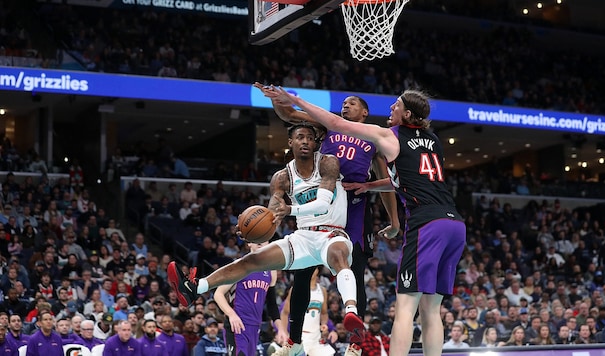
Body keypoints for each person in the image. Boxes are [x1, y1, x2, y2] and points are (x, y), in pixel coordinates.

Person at [262, 86, 466, 356]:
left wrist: (297, 98)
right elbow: (402, 180)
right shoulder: (433, 139)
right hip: (454, 223)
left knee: (405, 308)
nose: (391, 108)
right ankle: (295, 340)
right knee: (431, 309)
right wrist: (369, 187)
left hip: (424, 223)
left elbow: (335, 122)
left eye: (396, 105)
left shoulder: (386, 135)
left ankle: (356, 344)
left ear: (406, 113)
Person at [168, 123, 364, 356]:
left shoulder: (327, 162)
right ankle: (194, 287)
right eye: (299, 137)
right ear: (290, 143)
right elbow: (272, 218)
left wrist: (288, 210)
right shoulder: (282, 178)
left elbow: (322, 205)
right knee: (251, 260)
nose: (305, 141)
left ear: (315, 143)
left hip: (331, 232)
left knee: (338, 255)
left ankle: (351, 311)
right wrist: (252, 231)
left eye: (309, 138)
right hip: (303, 238)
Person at [254, 82, 400, 355]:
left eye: (352, 103)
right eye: (343, 103)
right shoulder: (329, 125)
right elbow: (291, 116)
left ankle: (356, 344)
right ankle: (294, 343)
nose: (345, 106)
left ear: (365, 112)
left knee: (355, 274)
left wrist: (394, 221)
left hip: (353, 205)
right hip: (321, 202)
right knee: (303, 275)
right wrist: (275, 99)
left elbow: (386, 181)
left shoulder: (373, 138)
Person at [214, 240, 287, 355]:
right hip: (237, 324)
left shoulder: (271, 271)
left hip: (255, 326)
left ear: (268, 243)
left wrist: (281, 328)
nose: (259, 242)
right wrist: (231, 315)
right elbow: (218, 294)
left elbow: (272, 304)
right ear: (249, 243)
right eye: (255, 238)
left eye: (263, 238)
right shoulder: (239, 265)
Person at [278, 267, 336, 356]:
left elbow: (324, 313)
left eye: (314, 268)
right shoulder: (295, 289)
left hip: (316, 337)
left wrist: (324, 324)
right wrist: (285, 333)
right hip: (300, 336)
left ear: (318, 271)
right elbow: (285, 313)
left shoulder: (323, 291)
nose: (311, 270)